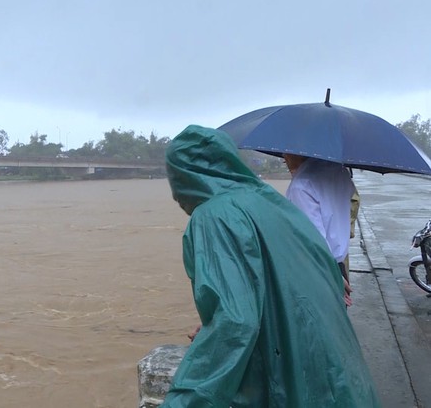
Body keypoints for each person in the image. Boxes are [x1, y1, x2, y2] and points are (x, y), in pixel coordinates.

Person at [161, 125, 380, 407]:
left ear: (184, 175)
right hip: (344, 378)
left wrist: (182, 402)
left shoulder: (214, 216)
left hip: (297, 385)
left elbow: (236, 322)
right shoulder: (271, 200)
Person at [283, 154, 355, 287]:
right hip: (338, 265)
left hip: (318, 270)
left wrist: (334, 277)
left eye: (285, 154)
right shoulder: (341, 173)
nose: (284, 157)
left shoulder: (301, 185)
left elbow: (314, 240)